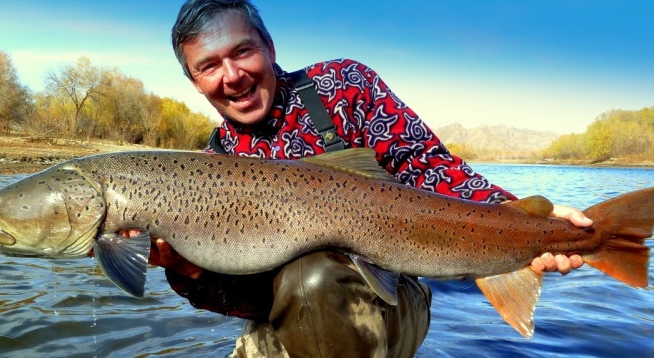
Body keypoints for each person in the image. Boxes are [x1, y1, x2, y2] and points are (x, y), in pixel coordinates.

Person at [149, 0, 592, 356]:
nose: (232, 75)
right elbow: (252, 302)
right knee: (303, 288)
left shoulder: (342, 86)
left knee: (312, 280)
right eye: (209, 66)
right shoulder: (211, 167)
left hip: (394, 297)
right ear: (194, 81)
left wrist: (525, 218)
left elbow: (427, 166)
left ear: (269, 47)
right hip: (293, 319)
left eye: (242, 51)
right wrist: (188, 270)